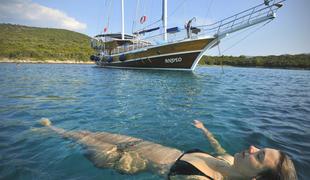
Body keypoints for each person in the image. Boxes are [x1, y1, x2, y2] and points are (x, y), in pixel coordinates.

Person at [40, 118, 297, 180]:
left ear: (257, 178)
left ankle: (47, 129)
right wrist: (205, 130)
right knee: (89, 132)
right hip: (139, 143)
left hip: (128, 159)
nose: (253, 147)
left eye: (260, 155)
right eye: (259, 148)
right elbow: (217, 147)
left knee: (74, 138)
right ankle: (50, 129)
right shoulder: (230, 160)